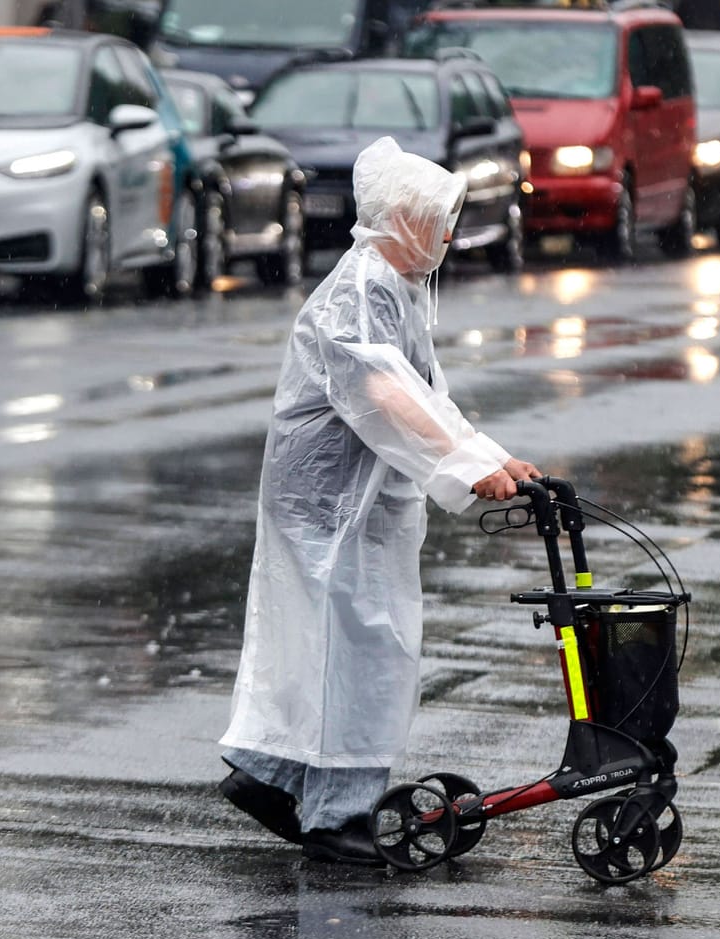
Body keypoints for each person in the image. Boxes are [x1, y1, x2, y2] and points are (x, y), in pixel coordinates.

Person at [218, 137, 540, 865]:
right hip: (329, 511)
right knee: (356, 653)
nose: (449, 237)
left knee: (340, 649)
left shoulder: (394, 290)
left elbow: (428, 399)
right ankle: (337, 816)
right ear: (400, 219)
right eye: (437, 219)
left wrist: (493, 458)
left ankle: (272, 777)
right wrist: (465, 467)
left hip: (356, 507)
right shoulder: (360, 289)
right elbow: (383, 393)